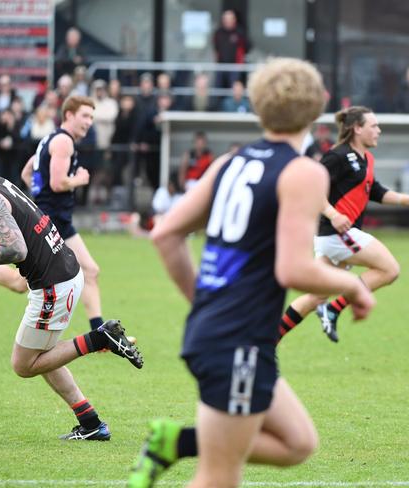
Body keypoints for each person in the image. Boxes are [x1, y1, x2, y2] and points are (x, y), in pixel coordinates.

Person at [127, 57, 375, 487]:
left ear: (259, 105)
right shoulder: (302, 171)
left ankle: (175, 441)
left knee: (298, 442)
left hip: (229, 334)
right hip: (236, 340)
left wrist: (205, 302)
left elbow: (165, 234)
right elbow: (294, 267)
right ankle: (180, 445)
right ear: (317, 107)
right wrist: (351, 284)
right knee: (220, 478)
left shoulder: (230, 162)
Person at [0, 141, 142, 440]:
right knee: (43, 354)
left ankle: (98, 338)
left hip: (54, 286)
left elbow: (15, 248)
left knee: (24, 365)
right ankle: (91, 423)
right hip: (62, 274)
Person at [277, 106, 409, 343]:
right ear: (357, 129)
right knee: (389, 269)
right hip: (335, 234)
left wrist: (406, 199)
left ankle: (268, 343)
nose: (378, 131)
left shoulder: (367, 159)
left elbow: (376, 191)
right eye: (373, 126)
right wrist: (333, 214)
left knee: (315, 297)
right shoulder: (337, 156)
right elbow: (312, 189)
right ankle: (335, 308)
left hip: (338, 237)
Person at [21, 95, 107, 332]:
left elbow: (28, 171)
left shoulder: (50, 139)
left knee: (90, 270)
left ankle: (99, 333)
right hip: (52, 221)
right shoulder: (64, 142)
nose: (89, 122)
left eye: (91, 117)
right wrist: (79, 179)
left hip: (57, 220)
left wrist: (37, 199)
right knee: (22, 283)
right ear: (68, 115)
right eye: (85, 116)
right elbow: (58, 183)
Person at [212, 9, 251, 89]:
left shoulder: (240, 32)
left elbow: (247, 47)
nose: (227, 21)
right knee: (217, 89)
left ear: (234, 20)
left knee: (233, 90)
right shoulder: (218, 33)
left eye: (230, 18)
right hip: (221, 67)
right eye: (226, 19)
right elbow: (216, 49)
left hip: (234, 67)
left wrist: (240, 63)